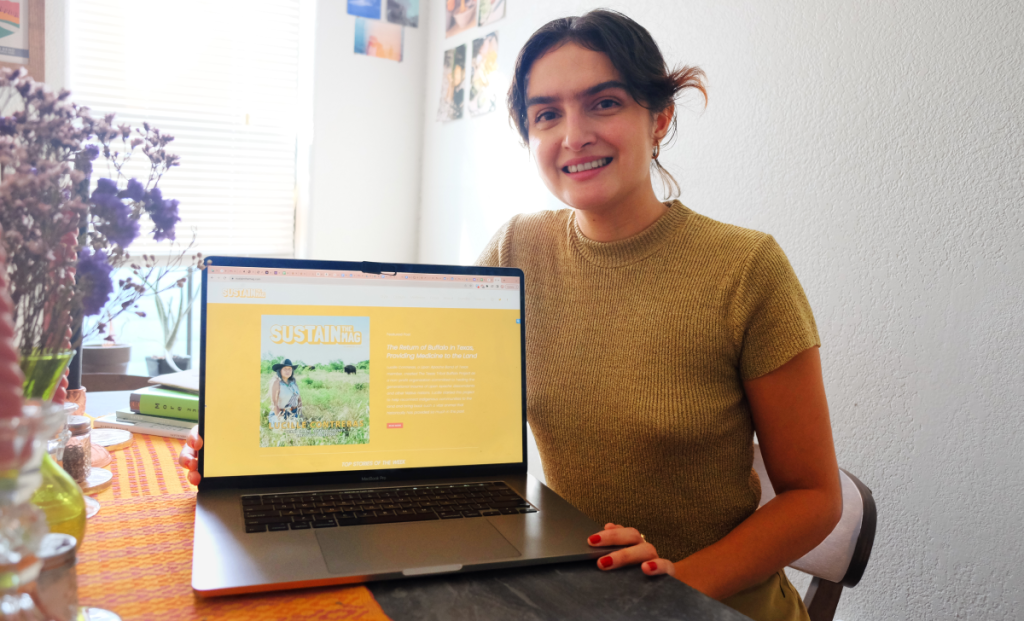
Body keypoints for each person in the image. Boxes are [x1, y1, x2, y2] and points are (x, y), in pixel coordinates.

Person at [181, 10, 841, 620]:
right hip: (570, 584)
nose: (573, 135)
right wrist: (252, 452)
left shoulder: (747, 269)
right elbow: (414, 410)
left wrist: (678, 582)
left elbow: (815, 495)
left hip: (711, 602)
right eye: (546, 114)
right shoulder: (514, 248)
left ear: (659, 117)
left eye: (604, 103)